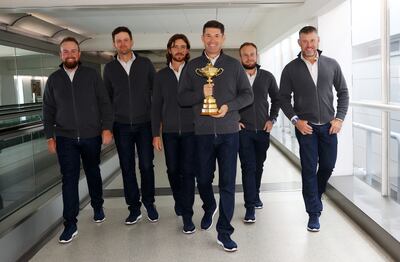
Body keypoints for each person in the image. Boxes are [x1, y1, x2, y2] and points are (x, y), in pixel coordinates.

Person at [178, 20, 253, 252]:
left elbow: (247, 95)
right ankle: (209, 206)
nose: (212, 40)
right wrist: (201, 93)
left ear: (223, 38)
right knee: (202, 179)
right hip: (201, 133)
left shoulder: (233, 65)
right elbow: (181, 99)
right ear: (202, 38)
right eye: (208, 36)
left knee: (228, 183)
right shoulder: (192, 67)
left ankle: (224, 231)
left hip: (229, 132)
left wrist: (228, 107)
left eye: (216, 36)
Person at [43, 37, 113, 243]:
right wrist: (50, 137)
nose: (70, 54)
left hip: (91, 136)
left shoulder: (91, 76)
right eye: (66, 51)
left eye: (74, 51)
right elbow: (47, 110)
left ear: (79, 54)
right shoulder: (54, 79)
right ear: (61, 55)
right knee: (69, 180)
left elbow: (105, 104)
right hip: (65, 138)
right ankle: (70, 224)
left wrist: (106, 128)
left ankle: (97, 206)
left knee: (93, 172)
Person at [279, 26, 349, 232]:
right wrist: (295, 120)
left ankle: (316, 194)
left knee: (327, 166)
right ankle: (313, 213)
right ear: (299, 43)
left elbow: (343, 93)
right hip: (306, 128)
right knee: (309, 169)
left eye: (312, 41)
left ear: (318, 41)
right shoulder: (291, 69)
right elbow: (283, 98)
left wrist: (339, 119)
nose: (309, 45)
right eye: (304, 41)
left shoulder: (331, 65)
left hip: (329, 127)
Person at [103, 26, 158, 224]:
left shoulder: (145, 64)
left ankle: (149, 203)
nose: (123, 44)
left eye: (126, 40)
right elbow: (106, 100)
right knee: (127, 168)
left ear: (132, 42)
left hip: (144, 124)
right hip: (121, 126)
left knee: (146, 165)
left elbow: (156, 93)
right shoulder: (109, 68)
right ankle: (134, 208)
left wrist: (156, 124)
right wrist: (107, 127)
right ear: (114, 44)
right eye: (118, 41)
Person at [151, 34, 196, 234]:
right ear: (169, 49)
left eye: (183, 47)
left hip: (191, 131)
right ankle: (179, 200)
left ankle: (187, 215)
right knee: (172, 170)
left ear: (187, 50)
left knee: (188, 172)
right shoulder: (160, 76)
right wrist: (155, 134)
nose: (179, 50)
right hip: (169, 132)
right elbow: (156, 107)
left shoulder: (195, 72)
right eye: (175, 46)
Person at [238, 42, 280, 223]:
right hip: (243, 131)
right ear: (241, 57)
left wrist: (272, 119)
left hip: (263, 130)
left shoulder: (267, 77)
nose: (249, 57)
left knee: (259, 165)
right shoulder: (235, 76)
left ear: (257, 56)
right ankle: (249, 207)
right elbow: (225, 99)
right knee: (248, 167)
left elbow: (277, 99)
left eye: (252, 54)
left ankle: (255, 195)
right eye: (245, 55)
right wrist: (235, 120)